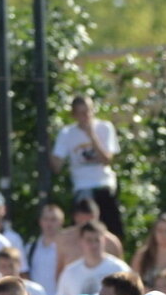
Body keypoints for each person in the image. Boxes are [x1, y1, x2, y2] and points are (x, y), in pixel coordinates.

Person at [51, 95, 124, 236]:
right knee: (83, 232)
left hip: (103, 185)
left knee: (112, 231)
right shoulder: (67, 133)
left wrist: (92, 135)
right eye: (81, 113)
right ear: (74, 115)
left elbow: (107, 159)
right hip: (82, 187)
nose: (87, 116)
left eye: (89, 111)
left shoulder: (105, 127)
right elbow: (56, 166)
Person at [55, 221, 129, 295]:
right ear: (81, 241)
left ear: (104, 241)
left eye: (97, 240)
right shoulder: (69, 272)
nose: (93, 245)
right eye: (89, 240)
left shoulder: (119, 269)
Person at [24, 204, 65, 295]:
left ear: (61, 222)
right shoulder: (31, 247)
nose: (49, 224)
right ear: (40, 222)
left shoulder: (66, 248)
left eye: (53, 219)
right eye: (46, 219)